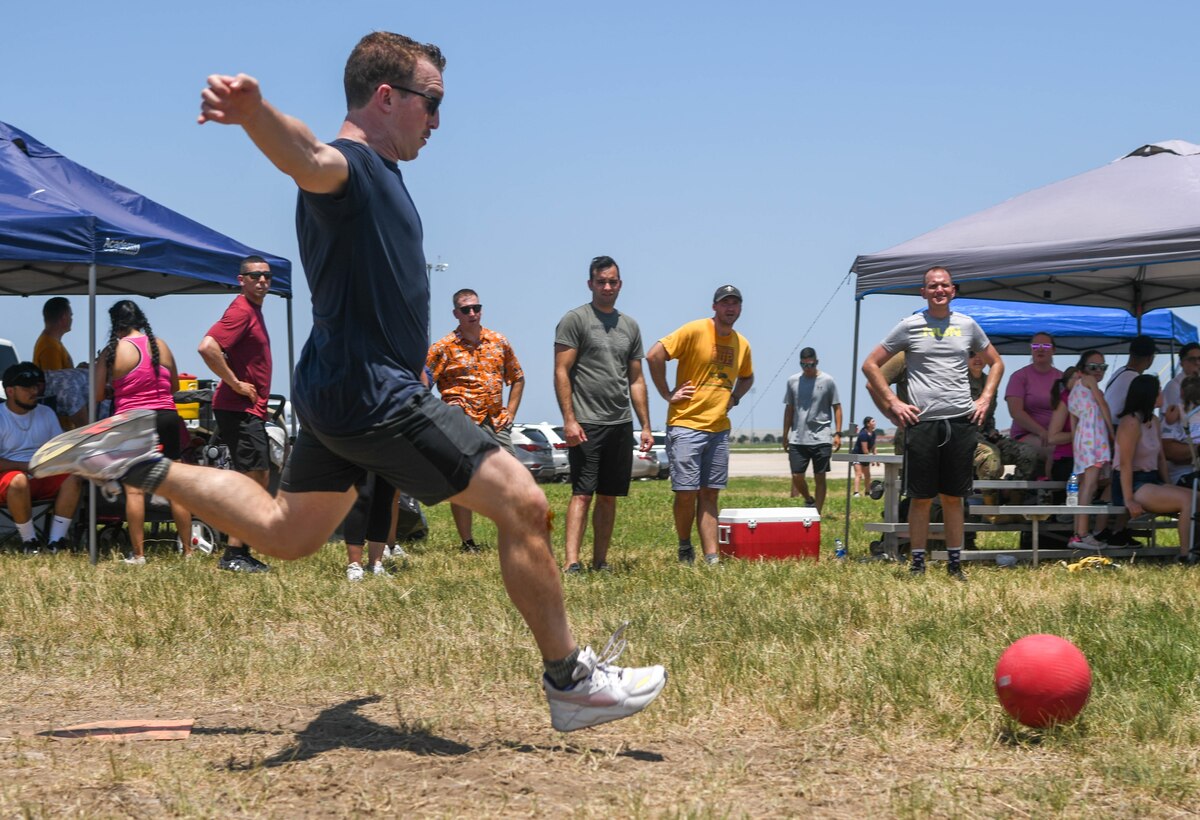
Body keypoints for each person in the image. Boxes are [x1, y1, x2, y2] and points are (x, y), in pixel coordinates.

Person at [31, 31, 664, 732]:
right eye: (432, 103)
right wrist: (256, 115)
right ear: (387, 97)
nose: (438, 121)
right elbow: (308, 153)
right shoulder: (352, 171)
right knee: (522, 502)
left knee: (286, 532)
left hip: (335, 387)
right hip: (373, 391)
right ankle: (570, 680)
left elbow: (312, 152)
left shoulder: (380, 175)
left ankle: (137, 463)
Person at [862, 266, 1002, 579]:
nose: (939, 290)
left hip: (959, 421)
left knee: (954, 497)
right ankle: (918, 563)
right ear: (923, 292)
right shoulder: (909, 326)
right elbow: (870, 365)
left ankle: (955, 564)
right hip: (923, 423)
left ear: (953, 291)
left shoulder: (967, 326)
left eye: (944, 286)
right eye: (932, 286)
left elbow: (996, 363)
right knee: (921, 497)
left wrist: (985, 399)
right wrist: (893, 403)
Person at [553, 256, 652, 574]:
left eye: (612, 281)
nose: (607, 287)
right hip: (586, 423)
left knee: (609, 496)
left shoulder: (630, 326)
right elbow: (561, 371)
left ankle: (600, 561)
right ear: (590, 284)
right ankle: (571, 561)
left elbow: (636, 379)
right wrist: (569, 419)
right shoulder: (575, 320)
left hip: (620, 423)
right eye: (601, 282)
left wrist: (646, 425)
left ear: (620, 284)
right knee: (582, 493)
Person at [647, 285, 753, 566]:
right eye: (725, 303)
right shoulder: (694, 330)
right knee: (686, 493)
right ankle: (685, 547)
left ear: (740, 308)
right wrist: (667, 393)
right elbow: (654, 354)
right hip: (686, 424)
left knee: (709, 493)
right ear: (714, 307)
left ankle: (711, 557)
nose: (730, 308)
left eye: (735, 303)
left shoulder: (742, 344)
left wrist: (735, 399)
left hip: (718, 428)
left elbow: (747, 377)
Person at [94, 300, 204, 564]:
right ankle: (188, 552)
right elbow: (174, 384)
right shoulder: (161, 345)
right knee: (176, 487)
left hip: (134, 420)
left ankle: (139, 554)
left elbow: (97, 394)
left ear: (115, 324)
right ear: (140, 320)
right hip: (166, 418)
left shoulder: (112, 350)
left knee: (134, 490)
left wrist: (117, 387)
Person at [426, 288, 524, 553]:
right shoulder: (442, 348)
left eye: (476, 308)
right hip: (460, 421)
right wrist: (442, 412)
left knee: (513, 477)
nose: (472, 313)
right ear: (455, 314)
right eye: (466, 309)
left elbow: (517, 377)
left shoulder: (498, 341)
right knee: (463, 482)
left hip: (494, 420)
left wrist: (510, 412)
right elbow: (421, 385)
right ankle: (467, 543)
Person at [198, 255, 274, 574]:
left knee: (256, 475)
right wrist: (236, 384)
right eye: (255, 276)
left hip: (247, 407)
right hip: (236, 407)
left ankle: (240, 550)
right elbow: (207, 347)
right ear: (241, 279)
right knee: (253, 476)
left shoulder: (252, 310)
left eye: (267, 276)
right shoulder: (241, 309)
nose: (262, 281)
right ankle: (233, 554)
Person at [1112, 374, 1195, 561]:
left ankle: (1193, 548)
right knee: (1188, 501)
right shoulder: (1130, 422)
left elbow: (1161, 458)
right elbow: (1125, 463)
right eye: (1158, 390)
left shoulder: (1154, 421)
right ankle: (1185, 556)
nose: (1161, 393)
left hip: (1152, 479)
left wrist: (1168, 486)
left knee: (1196, 497)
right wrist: (1129, 500)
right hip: (1133, 483)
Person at [0, 363, 81, 553]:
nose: (34, 391)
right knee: (18, 480)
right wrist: (26, 466)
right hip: (10, 480)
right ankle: (30, 542)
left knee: (73, 477)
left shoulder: (46, 413)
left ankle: (56, 542)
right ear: (10, 391)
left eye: (36, 386)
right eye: (27, 387)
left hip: (41, 474)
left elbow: (59, 450)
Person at [1048, 352, 1113, 548]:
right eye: (1094, 366)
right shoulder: (1089, 383)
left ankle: (1078, 533)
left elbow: (1075, 423)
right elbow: (1102, 406)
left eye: (1103, 367)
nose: (1098, 371)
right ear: (1084, 367)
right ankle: (1082, 534)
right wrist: (1112, 434)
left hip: (1083, 441)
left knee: (1086, 485)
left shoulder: (1075, 389)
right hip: (1093, 438)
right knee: (1089, 485)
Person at [780, 348, 841, 511]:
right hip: (798, 437)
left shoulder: (828, 381)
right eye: (804, 364)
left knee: (820, 477)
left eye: (810, 364)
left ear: (817, 362)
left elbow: (837, 407)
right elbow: (789, 409)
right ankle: (808, 498)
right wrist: (785, 434)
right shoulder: (792, 381)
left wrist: (838, 433)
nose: (807, 368)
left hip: (821, 437)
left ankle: (817, 514)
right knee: (796, 476)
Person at [1004, 331, 1061, 475]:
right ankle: (1048, 491)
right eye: (1036, 345)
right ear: (1031, 349)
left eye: (1046, 345)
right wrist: (1041, 432)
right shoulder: (1019, 377)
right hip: (1025, 435)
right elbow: (1016, 413)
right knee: (1054, 450)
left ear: (1053, 350)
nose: (1040, 349)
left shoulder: (1062, 378)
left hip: (1056, 435)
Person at [32, 297, 89, 429]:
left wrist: (76, 372)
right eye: (71, 315)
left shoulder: (53, 343)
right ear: (64, 317)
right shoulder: (50, 347)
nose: (72, 319)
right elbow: (56, 386)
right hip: (60, 423)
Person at [1160, 342, 1200, 484]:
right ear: (1182, 362)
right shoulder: (1174, 387)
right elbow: (1169, 448)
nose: (1197, 363)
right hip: (1184, 473)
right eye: (1192, 359)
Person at [1105, 334, 1156, 419]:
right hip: (1120, 427)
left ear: (1130, 353)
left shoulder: (1119, 372)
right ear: (1150, 358)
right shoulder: (1137, 380)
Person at [852, 417, 877, 498]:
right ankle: (856, 493)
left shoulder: (873, 433)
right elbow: (865, 449)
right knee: (858, 474)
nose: (875, 422)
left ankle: (867, 492)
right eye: (873, 421)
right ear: (868, 424)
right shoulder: (863, 434)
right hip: (857, 455)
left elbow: (873, 446)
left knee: (867, 475)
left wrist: (876, 458)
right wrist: (871, 460)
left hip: (865, 457)